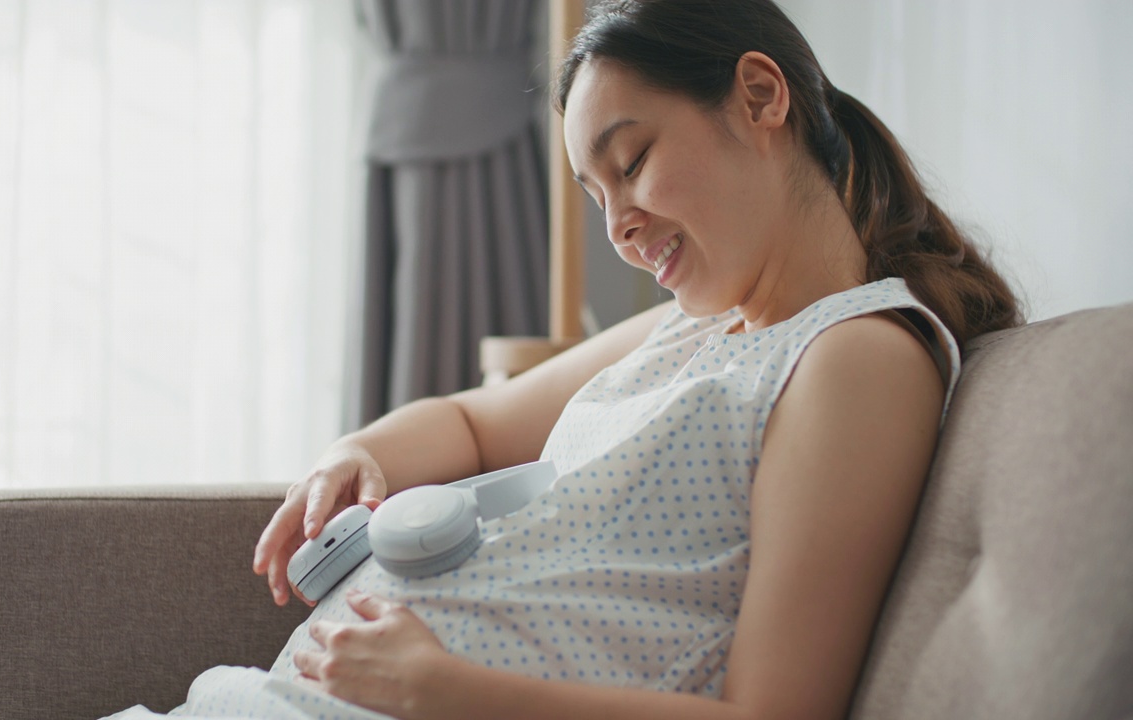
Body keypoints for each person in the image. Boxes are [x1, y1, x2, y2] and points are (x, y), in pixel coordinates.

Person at [105, 1, 1021, 719]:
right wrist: (364, 452)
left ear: (760, 95)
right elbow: (469, 420)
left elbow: (776, 713)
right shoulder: (689, 329)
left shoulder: (853, 357)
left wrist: (450, 696)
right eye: (595, 194)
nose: (619, 226)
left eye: (634, 161)